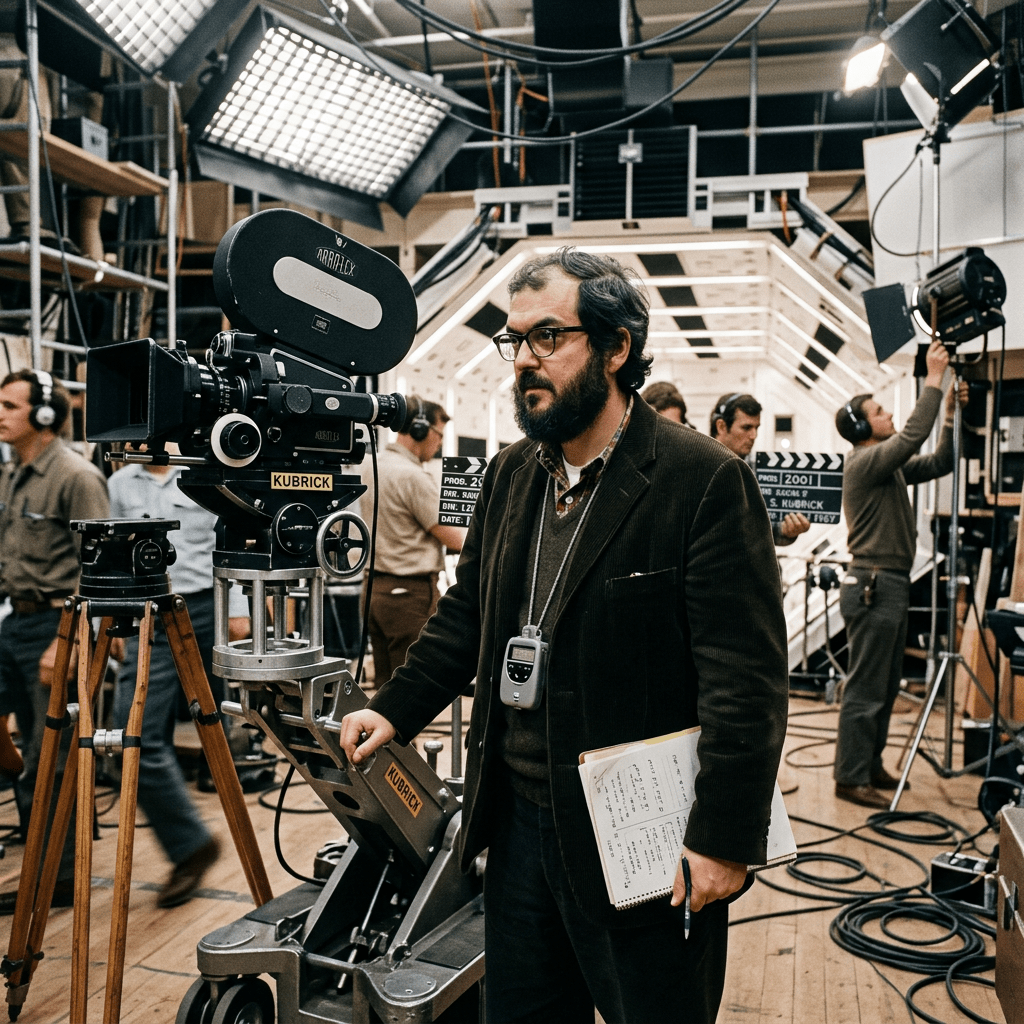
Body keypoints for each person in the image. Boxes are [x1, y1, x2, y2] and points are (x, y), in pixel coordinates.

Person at [339, 248, 788, 1024]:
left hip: (641, 836)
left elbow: (743, 680)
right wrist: (397, 707)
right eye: (515, 341)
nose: (523, 361)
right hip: (515, 828)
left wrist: (722, 839)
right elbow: (469, 612)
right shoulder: (513, 473)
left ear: (617, 347)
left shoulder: (701, 479)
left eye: (548, 337)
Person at [106, 447, 250, 907]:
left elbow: (233, 543)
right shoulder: (120, 484)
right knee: (134, 733)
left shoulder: (204, 477)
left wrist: (242, 609)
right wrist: (110, 621)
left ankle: (231, 782)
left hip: (209, 606)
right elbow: (112, 558)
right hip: (152, 615)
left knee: (233, 710)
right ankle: (190, 845)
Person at [833, 339, 962, 809]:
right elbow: (911, 439)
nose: (889, 415)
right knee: (867, 687)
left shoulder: (889, 469)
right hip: (872, 583)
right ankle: (849, 777)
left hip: (887, 583)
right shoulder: (866, 462)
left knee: (885, 685)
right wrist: (933, 380)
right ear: (864, 426)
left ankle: (868, 765)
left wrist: (949, 414)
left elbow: (941, 461)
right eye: (881, 411)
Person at [0, 368, 108, 912]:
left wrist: (66, 641)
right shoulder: (13, 474)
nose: (0, 414)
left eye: (10, 405)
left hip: (54, 628)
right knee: (19, 751)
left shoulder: (76, 476)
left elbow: (97, 569)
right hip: (12, 623)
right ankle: (40, 853)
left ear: (44, 415)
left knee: (51, 757)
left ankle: (57, 877)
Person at [362, 398, 465, 686]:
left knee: (386, 685)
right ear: (420, 430)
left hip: (374, 590)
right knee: (411, 688)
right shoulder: (413, 476)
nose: (440, 444)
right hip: (407, 595)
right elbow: (454, 538)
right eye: (439, 434)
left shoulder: (372, 465)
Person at [711, 391, 811, 546]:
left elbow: (770, 526)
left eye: (756, 427)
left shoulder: (761, 470)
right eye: (746, 427)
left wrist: (786, 531)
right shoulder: (699, 468)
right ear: (722, 426)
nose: (754, 435)